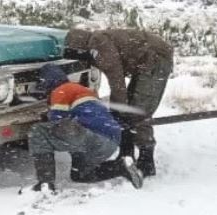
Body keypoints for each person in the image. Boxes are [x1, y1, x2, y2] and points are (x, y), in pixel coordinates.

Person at [63, 28, 174, 177]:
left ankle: (146, 161)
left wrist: (117, 110)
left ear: (80, 46)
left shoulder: (98, 46)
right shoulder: (97, 42)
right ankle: (126, 155)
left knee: (139, 111)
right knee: (130, 111)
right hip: (147, 60)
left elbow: (117, 83)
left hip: (155, 59)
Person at [25, 63, 143, 193]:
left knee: (38, 131)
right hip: (111, 141)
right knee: (80, 174)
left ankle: (45, 183)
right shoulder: (84, 90)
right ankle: (120, 167)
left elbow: (58, 123)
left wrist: (45, 117)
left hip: (92, 137)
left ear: (47, 83)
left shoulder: (61, 91)